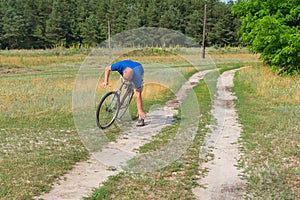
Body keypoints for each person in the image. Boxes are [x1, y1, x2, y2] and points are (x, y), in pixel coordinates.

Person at [102, 60, 146, 126]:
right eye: (126, 78)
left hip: (139, 68)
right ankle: (115, 104)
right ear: (123, 72)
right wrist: (106, 81)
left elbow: (138, 95)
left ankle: (141, 118)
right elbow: (107, 69)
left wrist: (140, 110)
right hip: (127, 70)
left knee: (137, 91)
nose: (127, 80)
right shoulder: (119, 66)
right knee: (122, 84)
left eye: (129, 79)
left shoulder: (137, 77)